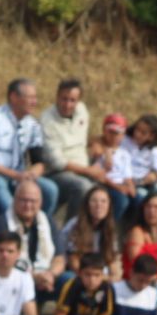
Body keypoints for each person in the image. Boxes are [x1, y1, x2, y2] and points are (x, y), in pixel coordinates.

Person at [0, 78, 56, 219]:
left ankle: (39, 228)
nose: (34, 102)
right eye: (30, 97)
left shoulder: (32, 125)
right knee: (6, 200)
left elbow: (39, 161)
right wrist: (16, 175)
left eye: (35, 98)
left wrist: (31, 175)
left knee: (50, 190)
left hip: (19, 177)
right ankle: (15, 228)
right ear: (14, 97)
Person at [39, 78, 91, 218]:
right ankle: (71, 230)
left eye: (72, 100)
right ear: (57, 97)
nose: (67, 104)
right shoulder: (47, 120)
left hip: (83, 168)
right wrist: (89, 171)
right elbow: (57, 162)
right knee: (82, 187)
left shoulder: (82, 111)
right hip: (56, 173)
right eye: (64, 99)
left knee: (112, 189)